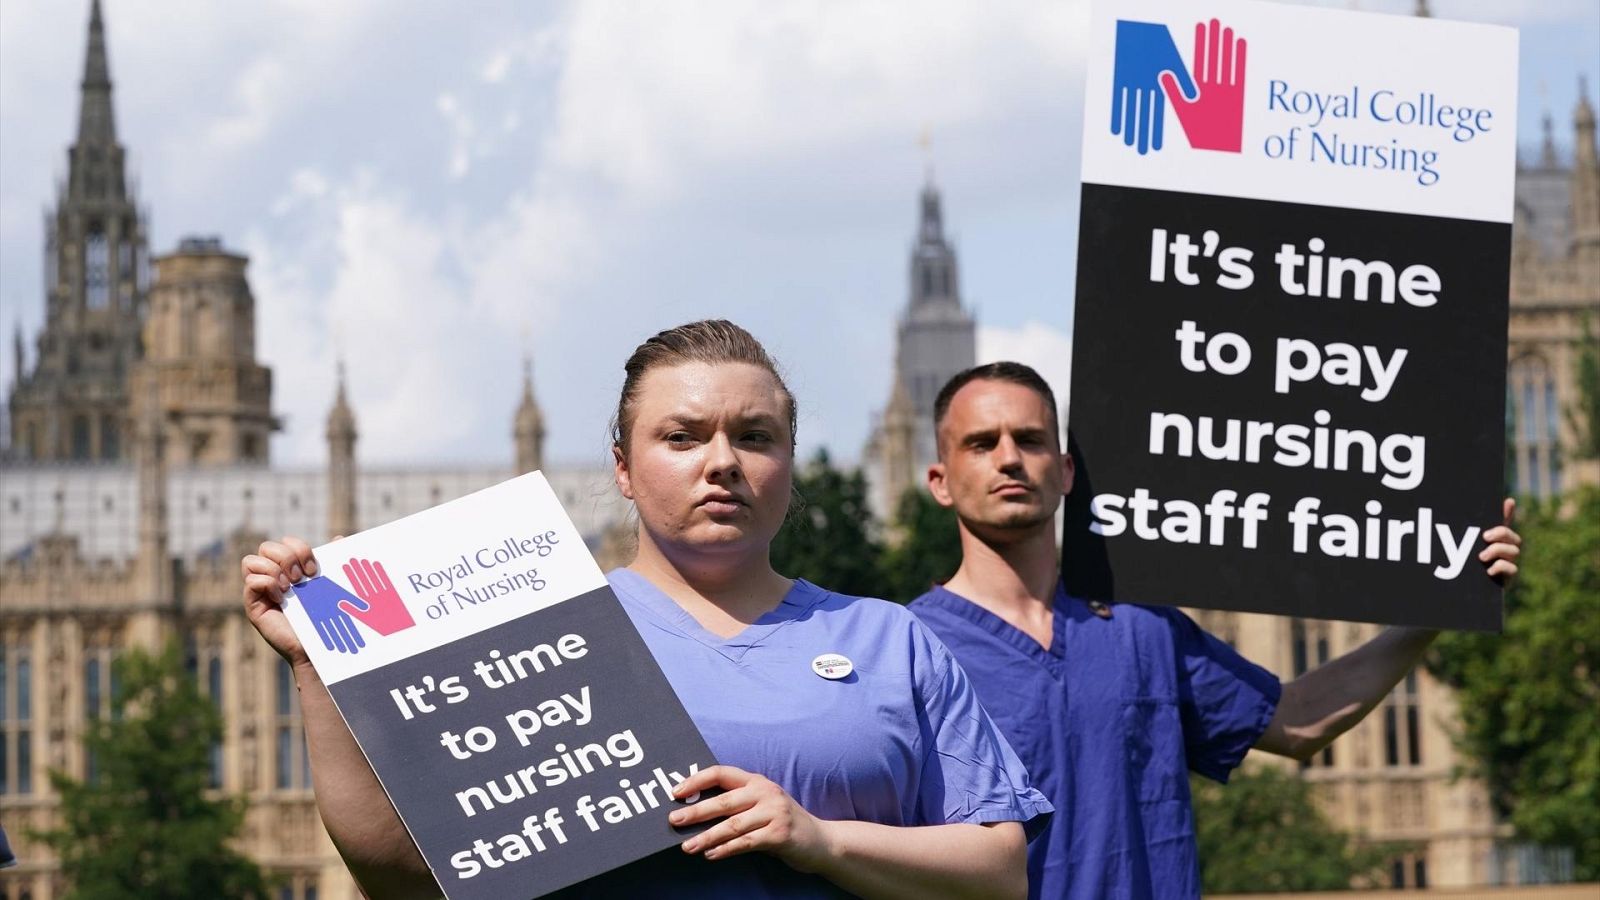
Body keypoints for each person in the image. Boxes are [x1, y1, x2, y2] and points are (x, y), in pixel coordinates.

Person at [241, 321, 1049, 899]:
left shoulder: (889, 641)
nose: (723, 463)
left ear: (790, 464)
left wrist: (822, 840)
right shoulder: (541, 633)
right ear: (624, 469)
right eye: (684, 437)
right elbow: (404, 874)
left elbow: (1000, 871)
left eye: (756, 437)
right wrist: (316, 663)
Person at [905, 362, 1522, 900]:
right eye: (982, 443)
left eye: (1031, 439)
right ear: (940, 480)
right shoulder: (909, 648)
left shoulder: (1143, 628)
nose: (1010, 457)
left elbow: (1299, 719)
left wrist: (1441, 605)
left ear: (1065, 470)